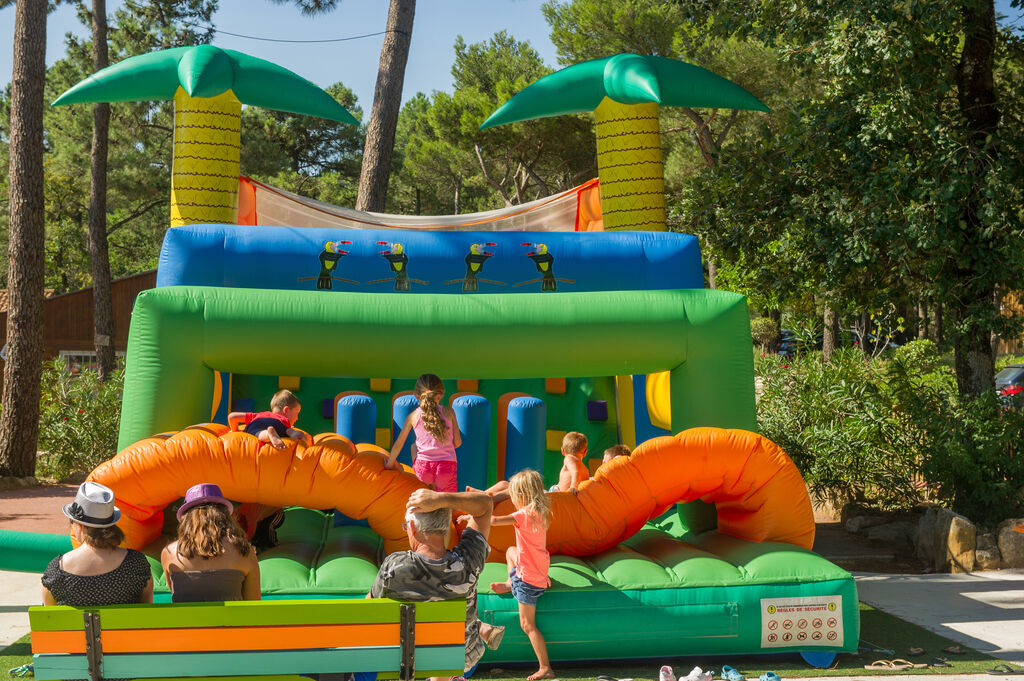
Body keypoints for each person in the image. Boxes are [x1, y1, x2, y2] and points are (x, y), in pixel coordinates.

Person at [369, 489, 504, 679]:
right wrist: (442, 499)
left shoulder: (395, 566)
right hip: (459, 655)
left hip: (406, 658)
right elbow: (485, 505)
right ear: (445, 529)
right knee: (446, 647)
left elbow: (370, 608)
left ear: (413, 529)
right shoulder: (468, 560)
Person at [488, 470, 554, 680]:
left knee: (527, 625)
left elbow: (493, 521)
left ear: (523, 495)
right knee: (510, 551)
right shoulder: (540, 511)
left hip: (529, 581)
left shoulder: (522, 514)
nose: (513, 499)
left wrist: (472, 513)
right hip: (537, 568)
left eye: (514, 495)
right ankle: (510, 582)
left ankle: (545, 667)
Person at [41, 482, 154, 606]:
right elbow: (147, 607)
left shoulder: (57, 569)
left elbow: (50, 615)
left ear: (79, 525)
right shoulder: (136, 564)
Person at [161, 483, 261, 602]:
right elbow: (253, 603)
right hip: (230, 620)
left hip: (188, 620)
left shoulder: (169, 553)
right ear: (225, 516)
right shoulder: (244, 551)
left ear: (185, 519)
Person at [384, 374, 461, 493]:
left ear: (416, 395)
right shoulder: (449, 412)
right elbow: (457, 442)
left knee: (414, 447)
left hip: (424, 469)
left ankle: (428, 488)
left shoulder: (413, 416)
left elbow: (399, 444)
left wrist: (389, 464)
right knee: (446, 501)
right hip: (446, 468)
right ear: (440, 394)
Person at [228, 389, 311, 450]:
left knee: (258, 432)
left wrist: (235, 430)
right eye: (296, 413)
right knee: (284, 430)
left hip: (257, 422)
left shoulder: (260, 414)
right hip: (277, 424)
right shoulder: (283, 421)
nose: (297, 418)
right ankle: (292, 432)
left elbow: (232, 416)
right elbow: (278, 425)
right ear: (286, 410)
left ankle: (268, 434)